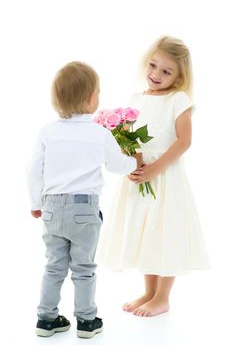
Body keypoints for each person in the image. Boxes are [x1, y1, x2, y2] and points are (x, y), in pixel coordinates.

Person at [96, 36, 209, 317]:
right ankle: (148, 291)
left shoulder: (178, 99)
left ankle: (163, 297)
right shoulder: (136, 99)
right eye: (153, 65)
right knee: (146, 233)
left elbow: (184, 141)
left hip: (165, 178)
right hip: (140, 175)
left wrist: (155, 169)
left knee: (165, 233)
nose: (156, 75)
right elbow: (129, 140)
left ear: (180, 77)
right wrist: (133, 162)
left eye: (166, 71)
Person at [26, 61, 142, 338]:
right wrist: (133, 162)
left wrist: (35, 204)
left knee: (54, 265)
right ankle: (87, 322)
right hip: (84, 210)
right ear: (91, 98)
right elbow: (116, 166)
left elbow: (33, 170)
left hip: (52, 209)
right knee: (84, 268)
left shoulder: (47, 131)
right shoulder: (99, 133)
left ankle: (46, 318)